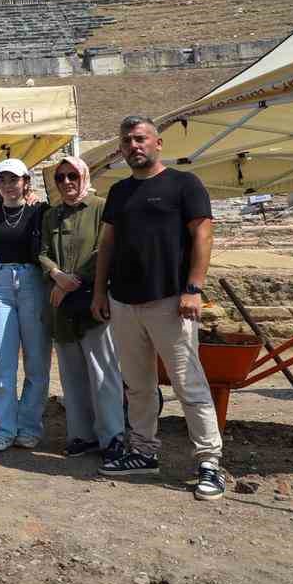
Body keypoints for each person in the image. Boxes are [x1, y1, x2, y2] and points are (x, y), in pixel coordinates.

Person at [92, 116, 224, 500]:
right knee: (137, 386)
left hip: (171, 301)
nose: (134, 146)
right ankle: (143, 451)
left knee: (189, 384)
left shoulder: (185, 184)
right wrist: (101, 292)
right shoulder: (118, 192)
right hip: (124, 303)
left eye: (140, 139)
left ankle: (209, 462)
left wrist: (193, 289)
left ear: (157, 143)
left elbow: (203, 233)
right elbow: (108, 245)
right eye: (127, 141)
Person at [41, 155, 125, 459]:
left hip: (93, 299)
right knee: (71, 372)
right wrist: (57, 276)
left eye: (72, 176)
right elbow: (43, 253)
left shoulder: (101, 207)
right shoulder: (51, 215)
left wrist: (73, 280)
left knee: (103, 371)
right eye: (61, 177)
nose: (66, 183)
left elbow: (105, 249)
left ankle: (113, 436)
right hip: (62, 303)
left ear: (84, 177)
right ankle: (81, 434)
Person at [0, 157, 51, 453]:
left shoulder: (40, 212)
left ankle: (29, 426)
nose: (9, 185)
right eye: (3, 180)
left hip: (33, 280)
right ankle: (2, 428)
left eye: (14, 180)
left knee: (36, 359)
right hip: (1, 279)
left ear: (25, 182)